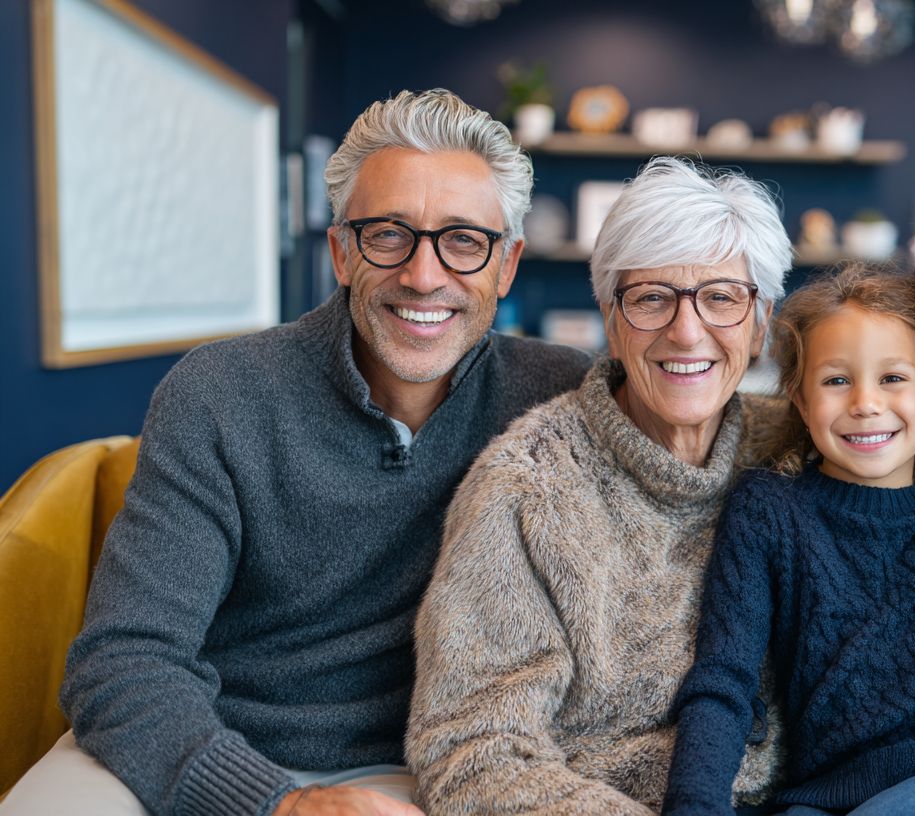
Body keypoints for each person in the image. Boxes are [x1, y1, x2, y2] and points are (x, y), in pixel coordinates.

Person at [0, 89, 591, 816]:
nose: (424, 275)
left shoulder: (561, 396)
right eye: (387, 235)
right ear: (342, 251)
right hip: (209, 747)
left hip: (449, 763)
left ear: (506, 267)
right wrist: (279, 803)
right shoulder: (219, 393)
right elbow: (121, 663)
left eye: (464, 240)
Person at [406, 156, 792, 815]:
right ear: (611, 321)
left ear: (760, 323)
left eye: (722, 297)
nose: (687, 330)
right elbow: (473, 755)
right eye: (651, 298)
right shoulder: (529, 488)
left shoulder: (803, 448)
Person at [661, 265, 915, 816]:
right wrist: (692, 806)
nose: (866, 403)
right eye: (836, 380)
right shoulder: (768, 511)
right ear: (799, 401)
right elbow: (725, 681)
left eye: (893, 378)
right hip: (827, 792)